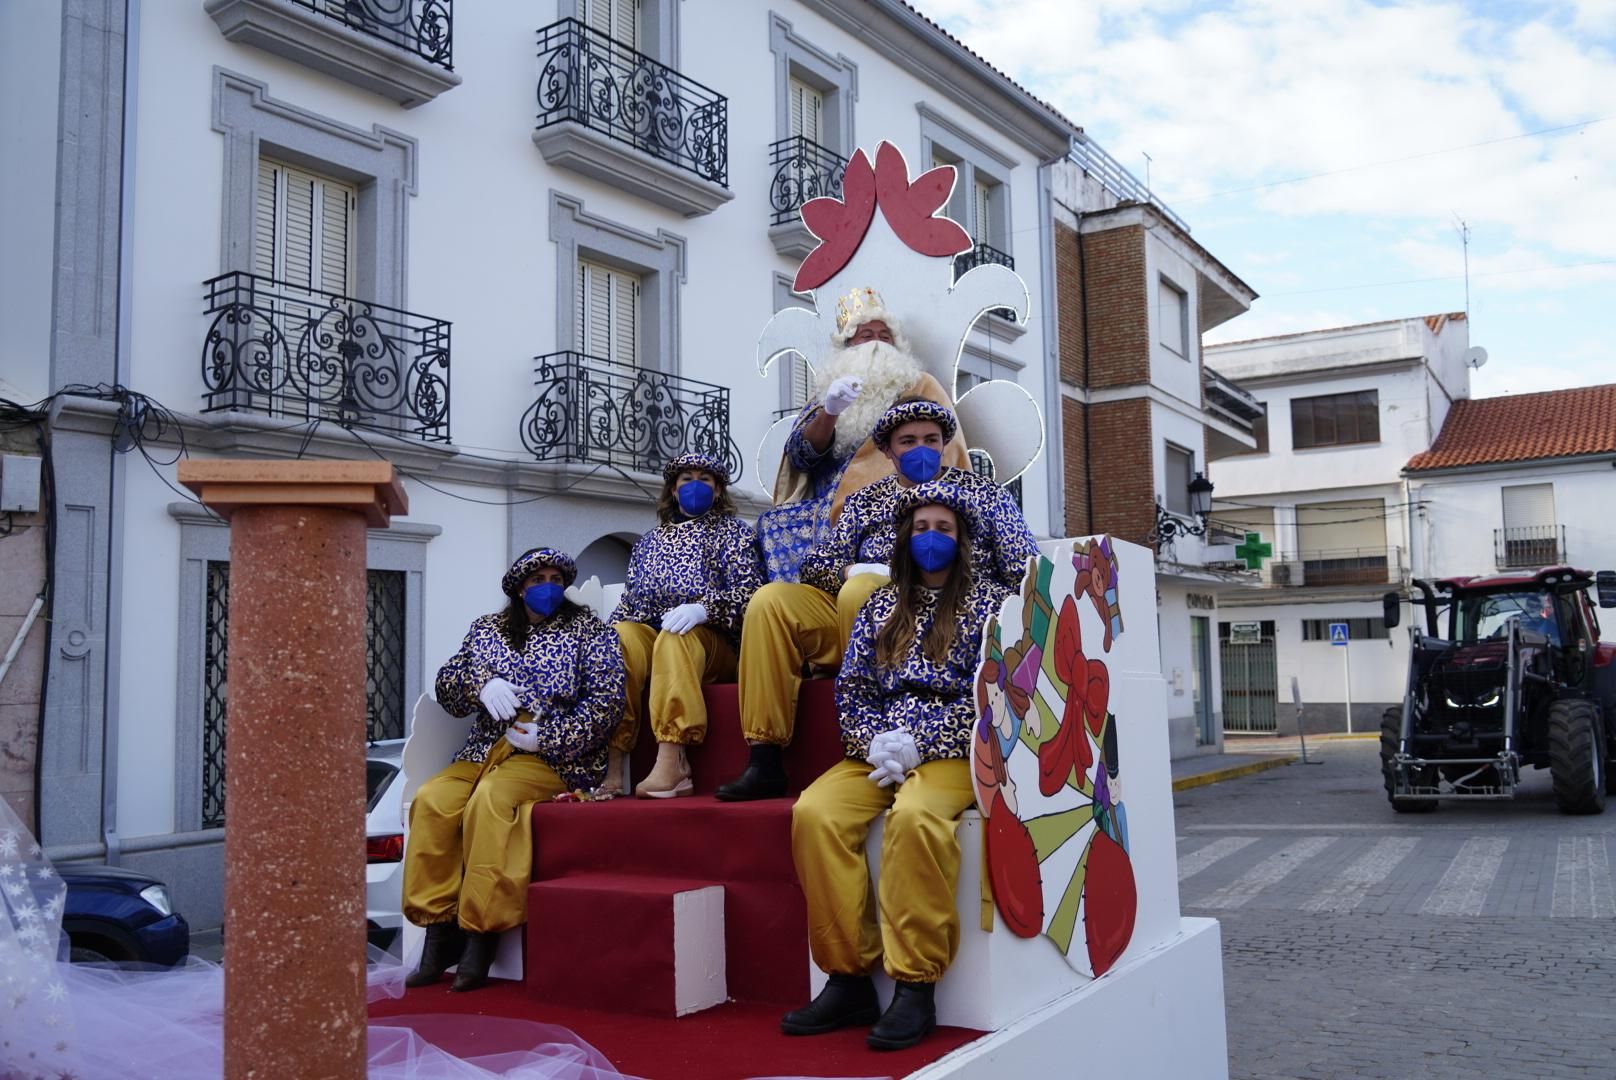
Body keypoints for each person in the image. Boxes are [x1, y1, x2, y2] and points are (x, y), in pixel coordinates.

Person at [784, 483, 1012, 1051]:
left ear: (961, 540)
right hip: (878, 748)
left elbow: (994, 694)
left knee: (914, 818)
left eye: (943, 528)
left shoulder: (989, 605)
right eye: (920, 527)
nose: (930, 538)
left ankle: (916, 986)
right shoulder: (881, 604)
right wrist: (875, 741)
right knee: (815, 812)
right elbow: (853, 686)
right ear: (904, 536)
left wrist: (924, 741)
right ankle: (848, 976)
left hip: (956, 750)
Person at [717, 399, 1038, 801]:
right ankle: (764, 757)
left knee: (860, 592)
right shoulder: (866, 501)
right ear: (887, 450)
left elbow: (1026, 570)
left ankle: (873, 727)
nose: (921, 448)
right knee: (770, 601)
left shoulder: (983, 494)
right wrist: (851, 571)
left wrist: (970, 596)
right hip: (862, 627)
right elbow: (817, 565)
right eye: (908, 440)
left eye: (930, 439)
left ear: (944, 444)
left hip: (951, 628)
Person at [403, 547, 625, 992]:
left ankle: (480, 933)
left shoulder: (589, 631)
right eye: (537, 579)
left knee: (492, 801)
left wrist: (552, 736)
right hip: (483, 750)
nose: (548, 587)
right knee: (433, 799)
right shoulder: (487, 630)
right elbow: (447, 684)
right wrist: (480, 685)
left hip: (550, 756)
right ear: (519, 588)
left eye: (555, 578)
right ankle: (438, 928)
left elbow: (608, 703)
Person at [757, 287, 970, 583]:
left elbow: (948, 448)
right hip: (827, 511)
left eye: (885, 337)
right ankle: (809, 602)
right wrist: (830, 411)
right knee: (773, 524)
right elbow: (800, 458)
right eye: (867, 336)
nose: (878, 345)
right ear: (848, 346)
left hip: (895, 497)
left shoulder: (919, 384)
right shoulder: (828, 391)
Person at [606, 452, 764, 798]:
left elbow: (753, 592)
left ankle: (673, 759)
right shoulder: (648, 543)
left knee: (675, 637)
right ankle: (615, 758)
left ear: (718, 489)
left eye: (704, 479)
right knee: (623, 637)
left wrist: (705, 609)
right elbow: (632, 604)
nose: (695, 486)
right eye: (686, 479)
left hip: (715, 644)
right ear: (674, 491)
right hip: (661, 638)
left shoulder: (733, 533)